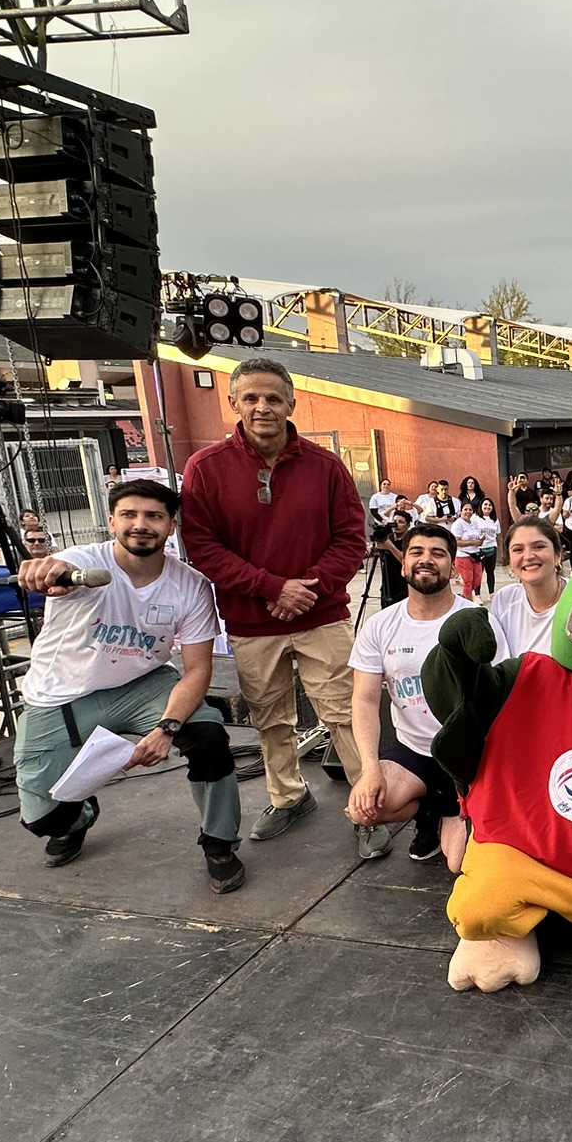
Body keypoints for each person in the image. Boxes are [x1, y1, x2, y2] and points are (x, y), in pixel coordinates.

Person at [177, 358, 373, 853]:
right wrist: (270, 588)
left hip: (321, 616)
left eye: (272, 398)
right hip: (251, 621)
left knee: (345, 713)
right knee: (269, 718)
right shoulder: (205, 468)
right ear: (234, 404)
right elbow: (202, 546)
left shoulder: (326, 466)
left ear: (291, 403)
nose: (262, 407)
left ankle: (369, 805)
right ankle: (288, 796)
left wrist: (305, 590)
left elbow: (351, 539)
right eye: (251, 398)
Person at [9, 480, 245, 889]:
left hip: (143, 684)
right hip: (63, 694)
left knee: (207, 737)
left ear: (171, 526)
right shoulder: (83, 563)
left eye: (153, 516)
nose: (140, 524)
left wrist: (167, 728)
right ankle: (80, 815)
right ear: (111, 521)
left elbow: (196, 670)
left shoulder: (190, 585)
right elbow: (54, 572)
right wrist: (41, 569)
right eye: (129, 515)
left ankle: (219, 842)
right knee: (44, 820)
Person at [345, 522, 508, 868]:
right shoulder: (380, 625)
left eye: (438, 553)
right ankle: (430, 811)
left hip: (466, 756)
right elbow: (364, 700)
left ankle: (453, 806)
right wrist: (370, 769)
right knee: (364, 809)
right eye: (417, 552)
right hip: (413, 750)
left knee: (458, 863)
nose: (426, 559)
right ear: (403, 564)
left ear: (453, 566)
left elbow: (502, 695)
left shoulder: (474, 620)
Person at [488, 516, 564, 655]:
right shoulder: (504, 600)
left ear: (558, 555)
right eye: (518, 549)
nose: (528, 556)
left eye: (539, 547)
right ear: (510, 562)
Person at [452, 498, 497, 601]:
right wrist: (472, 543)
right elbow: (456, 542)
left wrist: (479, 542)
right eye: (465, 509)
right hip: (463, 555)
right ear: (461, 511)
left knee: (477, 580)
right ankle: (468, 603)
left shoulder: (474, 523)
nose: (468, 512)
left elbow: (476, 537)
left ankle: (462, 596)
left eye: (470, 510)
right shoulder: (458, 524)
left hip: (475, 555)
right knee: (468, 581)